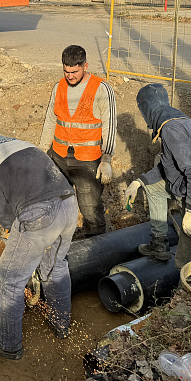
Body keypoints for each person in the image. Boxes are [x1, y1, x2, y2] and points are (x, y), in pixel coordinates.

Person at [0, 128, 77, 360]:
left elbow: (4, 215)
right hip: (69, 204)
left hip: (39, 214)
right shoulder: (21, 144)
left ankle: (8, 345)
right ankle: (61, 325)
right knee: (55, 268)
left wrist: (17, 248)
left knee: (8, 281)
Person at [125, 83, 191, 269]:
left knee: (186, 262)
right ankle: (159, 244)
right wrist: (138, 182)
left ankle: (187, 295)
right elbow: (170, 165)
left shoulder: (171, 130)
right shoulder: (177, 122)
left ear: (146, 110)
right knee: (153, 188)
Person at [39, 45, 116, 238]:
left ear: (85, 66)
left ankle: (96, 245)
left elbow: (110, 123)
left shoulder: (101, 88)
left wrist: (106, 159)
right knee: (57, 204)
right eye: (66, 71)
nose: (70, 76)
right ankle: (62, 240)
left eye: (74, 71)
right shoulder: (59, 87)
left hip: (88, 160)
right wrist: (41, 151)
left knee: (90, 209)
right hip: (59, 156)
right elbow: (50, 120)